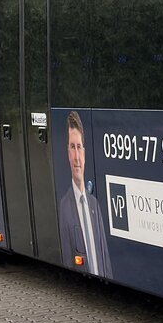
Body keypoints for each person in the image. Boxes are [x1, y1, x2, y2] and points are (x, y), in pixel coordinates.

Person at [58, 111, 112, 277]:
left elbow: (105, 260)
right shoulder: (64, 207)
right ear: (68, 153)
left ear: (84, 153)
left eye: (79, 147)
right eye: (72, 147)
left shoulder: (94, 204)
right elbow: (68, 261)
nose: (76, 157)